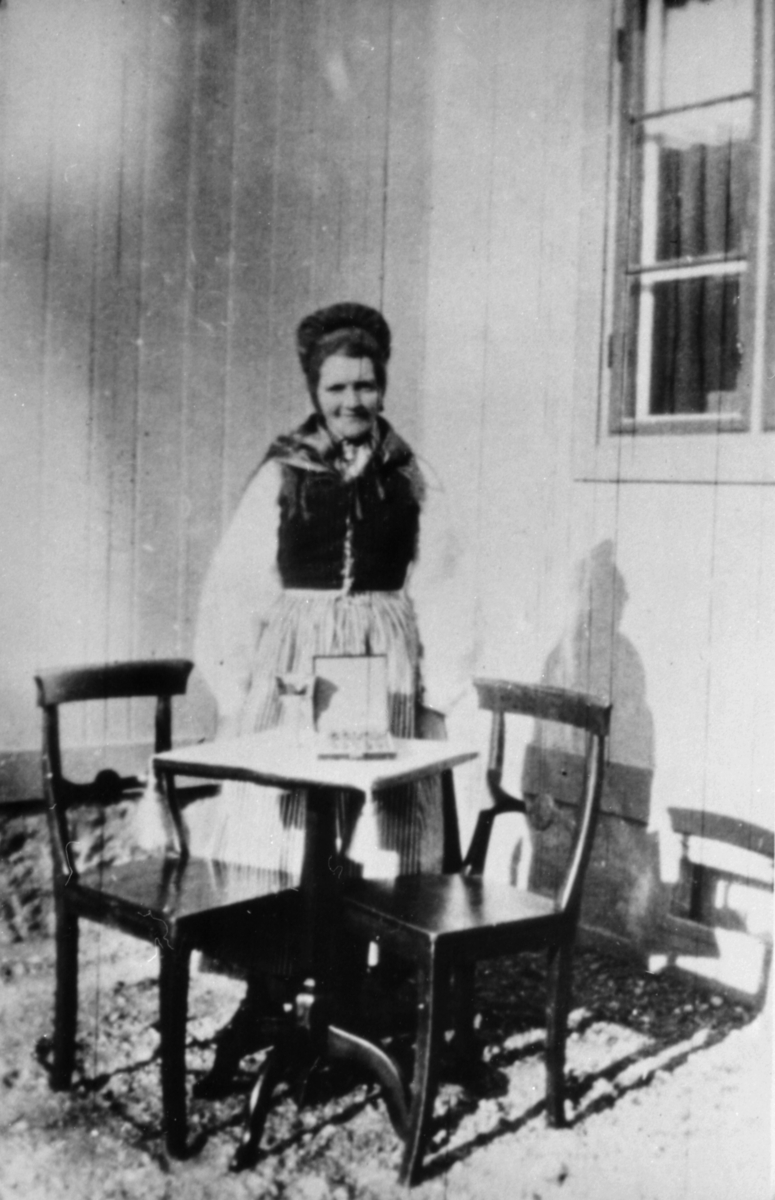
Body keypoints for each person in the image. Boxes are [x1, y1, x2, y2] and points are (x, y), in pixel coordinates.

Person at [187, 301, 473, 1094]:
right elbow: (237, 585)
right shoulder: (283, 473)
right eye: (337, 387)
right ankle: (270, 998)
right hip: (295, 669)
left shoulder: (410, 475)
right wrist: (238, 689)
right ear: (314, 389)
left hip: (384, 667)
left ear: (383, 386)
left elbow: (446, 584)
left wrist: (439, 694)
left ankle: (350, 1003)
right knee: (279, 831)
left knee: (378, 830)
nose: (352, 401)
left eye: (366, 386)